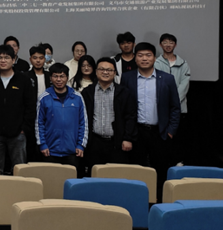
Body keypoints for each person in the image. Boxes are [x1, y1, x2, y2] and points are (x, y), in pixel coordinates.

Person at [121, 42, 181, 201]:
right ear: (135, 58)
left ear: (155, 58)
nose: (144, 59)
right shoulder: (127, 78)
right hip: (137, 133)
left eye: (148, 55)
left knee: (160, 171)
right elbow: (123, 107)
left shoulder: (167, 79)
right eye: (140, 55)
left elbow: (175, 107)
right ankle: (137, 201)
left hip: (160, 133)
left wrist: (170, 131)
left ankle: (158, 202)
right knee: (137, 171)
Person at [0, 44, 35, 174]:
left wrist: (24, 128)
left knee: (19, 170)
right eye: (0, 57)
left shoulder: (24, 80)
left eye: (6, 57)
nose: (3, 60)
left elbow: (30, 106)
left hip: (18, 133)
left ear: (13, 60)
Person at [81, 57, 136, 173]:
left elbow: (130, 117)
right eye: (102, 69)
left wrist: (128, 138)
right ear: (96, 71)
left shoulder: (124, 92)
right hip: (94, 142)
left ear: (115, 73)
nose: (105, 72)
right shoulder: (87, 92)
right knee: (94, 174)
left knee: (116, 175)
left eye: (109, 70)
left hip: (117, 143)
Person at [36, 63, 87, 167]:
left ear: (67, 77)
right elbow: (39, 123)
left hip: (73, 151)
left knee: (71, 177)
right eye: (55, 76)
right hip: (49, 150)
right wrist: (42, 144)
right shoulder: (44, 98)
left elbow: (83, 123)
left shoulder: (77, 97)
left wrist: (81, 145)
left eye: (62, 76)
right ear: (50, 78)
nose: (59, 79)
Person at [154, 33, 190, 165]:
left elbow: (184, 86)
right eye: (165, 42)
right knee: (162, 141)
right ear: (160, 45)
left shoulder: (183, 64)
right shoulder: (156, 63)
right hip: (161, 109)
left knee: (178, 139)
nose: (168, 45)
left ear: (175, 45)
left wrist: (173, 102)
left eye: (171, 42)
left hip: (180, 109)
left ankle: (178, 164)